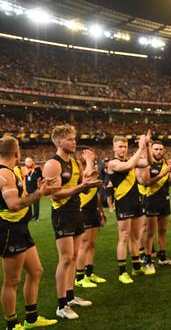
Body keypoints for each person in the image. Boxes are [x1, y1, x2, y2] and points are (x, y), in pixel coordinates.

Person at [0, 136, 60, 330]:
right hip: (9, 229)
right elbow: (14, 205)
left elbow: (21, 197)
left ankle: (31, 318)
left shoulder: (13, 171)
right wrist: (39, 194)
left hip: (20, 228)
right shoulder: (4, 174)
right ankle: (12, 324)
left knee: (36, 271)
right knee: (12, 281)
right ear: (16, 152)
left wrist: (41, 188)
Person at [42, 125, 101, 319]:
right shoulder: (53, 164)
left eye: (74, 138)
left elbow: (82, 185)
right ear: (59, 142)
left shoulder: (75, 163)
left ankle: (70, 296)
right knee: (66, 258)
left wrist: (89, 169)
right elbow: (56, 194)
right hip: (62, 214)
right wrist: (83, 186)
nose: (74, 142)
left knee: (74, 257)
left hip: (76, 211)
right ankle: (61, 305)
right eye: (70, 139)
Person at [107, 133, 151, 284]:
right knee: (124, 236)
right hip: (123, 203)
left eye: (125, 146)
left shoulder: (130, 159)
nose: (123, 149)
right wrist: (140, 148)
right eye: (120, 146)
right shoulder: (112, 163)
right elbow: (128, 166)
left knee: (136, 236)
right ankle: (122, 272)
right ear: (114, 148)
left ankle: (136, 266)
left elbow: (147, 162)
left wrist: (147, 146)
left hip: (136, 201)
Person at [140, 141, 171, 269]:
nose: (159, 152)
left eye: (161, 149)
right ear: (151, 150)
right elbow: (146, 183)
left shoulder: (166, 163)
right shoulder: (147, 164)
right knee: (150, 232)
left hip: (164, 199)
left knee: (162, 231)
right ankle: (148, 259)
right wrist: (163, 173)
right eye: (156, 149)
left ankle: (162, 258)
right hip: (151, 199)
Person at [74, 154, 108, 289]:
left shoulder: (92, 174)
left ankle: (89, 273)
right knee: (84, 244)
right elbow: (85, 180)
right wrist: (89, 162)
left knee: (91, 244)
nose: (94, 164)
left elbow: (97, 195)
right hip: (83, 211)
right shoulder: (80, 176)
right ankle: (80, 277)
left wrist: (101, 211)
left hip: (93, 211)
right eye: (91, 162)